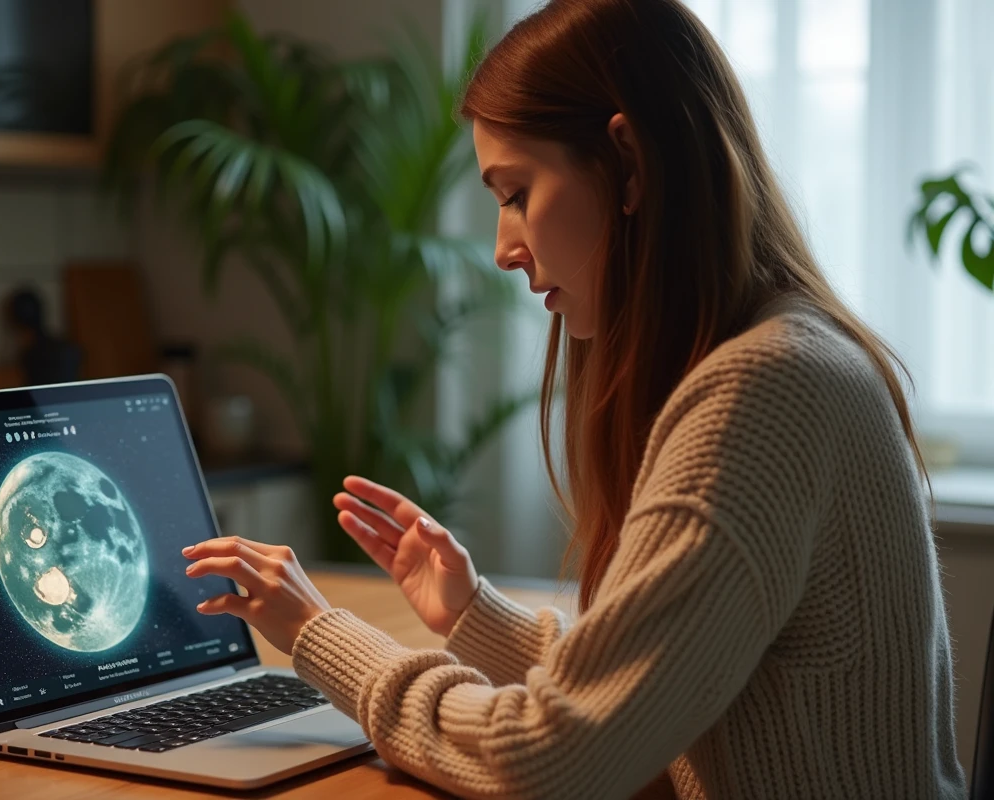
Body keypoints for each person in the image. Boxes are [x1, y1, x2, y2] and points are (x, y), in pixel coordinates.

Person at [180, 0, 966, 797]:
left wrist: (321, 635)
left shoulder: (760, 392)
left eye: (515, 192)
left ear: (627, 166)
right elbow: (655, 681)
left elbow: (550, 759)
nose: (501, 250)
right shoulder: (791, 350)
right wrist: (472, 616)